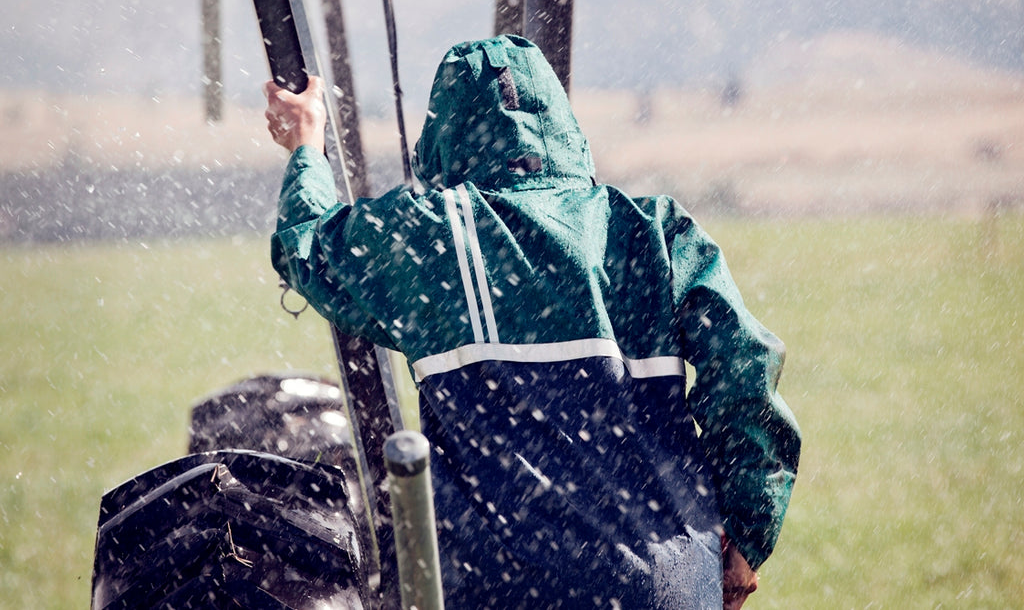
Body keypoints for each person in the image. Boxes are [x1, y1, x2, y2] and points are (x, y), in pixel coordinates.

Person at [265, 35, 800, 609]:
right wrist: (745, 535)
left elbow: (308, 248)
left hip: (504, 591)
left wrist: (305, 146)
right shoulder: (652, 231)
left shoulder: (435, 236)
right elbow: (746, 370)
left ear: (443, 140)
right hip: (666, 587)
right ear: (562, 126)